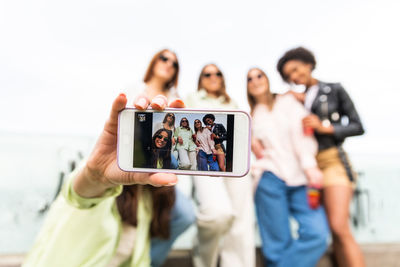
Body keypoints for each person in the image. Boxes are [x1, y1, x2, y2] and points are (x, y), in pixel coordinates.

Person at [22, 94, 185, 267]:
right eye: (152, 138)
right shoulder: (103, 180)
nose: (160, 141)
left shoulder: (147, 202)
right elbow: (76, 195)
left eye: (165, 140)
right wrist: (95, 177)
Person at [277, 47, 365, 267]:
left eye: (296, 70)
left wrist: (324, 127)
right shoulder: (298, 99)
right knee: (331, 231)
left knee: (339, 226)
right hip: (309, 167)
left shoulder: (334, 89)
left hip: (333, 161)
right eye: (290, 76)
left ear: (308, 64)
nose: (295, 77)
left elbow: (357, 126)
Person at [248, 67, 329, 267]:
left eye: (259, 75)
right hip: (269, 178)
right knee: (276, 245)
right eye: (249, 79)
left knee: (317, 235)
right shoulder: (250, 116)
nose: (255, 81)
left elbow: (303, 136)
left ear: (267, 79)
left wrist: (310, 166)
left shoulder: (289, 103)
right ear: (247, 87)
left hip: (302, 178)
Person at [127, 49, 195, 267]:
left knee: (185, 216)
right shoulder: (133, 91)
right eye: (164, 58)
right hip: (132, 165)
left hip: (164, 169)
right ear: (154, 61)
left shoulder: (177, 100)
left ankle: (147, 260)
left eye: (174, 63)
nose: (169, 64)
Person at [186, 64, 255, 267]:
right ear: (201, 78)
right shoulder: (192, 98)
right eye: (208, 74)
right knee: (218, 213)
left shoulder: (232, 102)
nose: (213, 77)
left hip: (234, 159)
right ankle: (202, 255)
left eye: (218, 73)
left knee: (241, 220)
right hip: (205, 160)